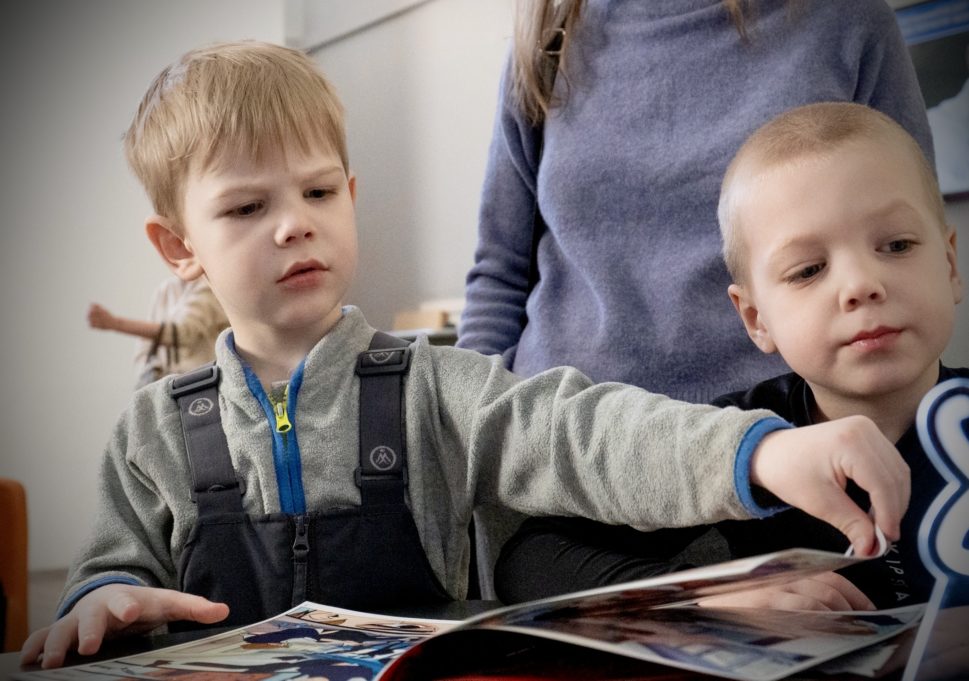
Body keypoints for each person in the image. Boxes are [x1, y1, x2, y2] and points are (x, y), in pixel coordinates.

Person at [22, 44, 910, 669]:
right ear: (179, 247)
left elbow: (586, 433)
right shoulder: (149, 432)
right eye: (247, 208)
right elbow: (110, 578)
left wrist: (756, 451)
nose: (295, 223)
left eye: (318, 191)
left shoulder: (439, 389)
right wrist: (99, 600)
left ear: (349, 195)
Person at [457, 0, 935, 592]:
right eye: (810, 269)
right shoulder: (547, 41)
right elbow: (500, 272)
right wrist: (466, 440)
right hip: (572, 477)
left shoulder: (847, 19)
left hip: (773, 472)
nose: (862, 284)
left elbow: (910, 225)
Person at [88, 275, 229, 388]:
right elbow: (145, 344)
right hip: (162, 389)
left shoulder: (210, 287)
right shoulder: (166, 289)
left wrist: (116, 324)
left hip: (200, 386)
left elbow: (183, 333)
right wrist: (145, 375)